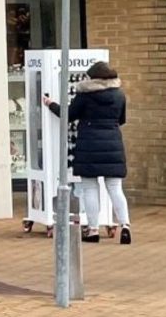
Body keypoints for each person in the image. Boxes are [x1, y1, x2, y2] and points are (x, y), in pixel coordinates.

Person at [43, 61, 132, 245]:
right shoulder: (119, 95)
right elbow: (121, 119)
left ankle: (92, 230)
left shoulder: (85, 96)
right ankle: (125, 225)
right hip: (113, 144)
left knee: (90, 188)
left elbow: (68, 115)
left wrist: (51, 104)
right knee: (115, 188)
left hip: (88, 144)